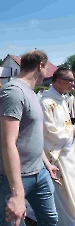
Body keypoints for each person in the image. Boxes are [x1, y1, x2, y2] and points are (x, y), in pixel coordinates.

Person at [0, 50, 60, 226]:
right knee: (10, 223)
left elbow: (32, 134)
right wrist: (17, 193)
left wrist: (46, 163)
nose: (47, 73)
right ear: (40, 66)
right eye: (46, 68)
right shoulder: (14, 92)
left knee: (50, 219)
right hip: (16, 176)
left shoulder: (31, 92)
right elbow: (8, 143)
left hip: (39, 171)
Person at [40, 67, 75, 226]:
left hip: (68, 150)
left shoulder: (62, 99)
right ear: (59, 81)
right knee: (63, 192)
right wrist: (72, 130)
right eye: (70, 81)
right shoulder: (46, 102)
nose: (73, 84)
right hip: (57, 154)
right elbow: (50, 132)